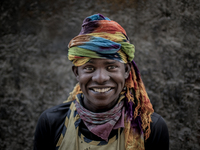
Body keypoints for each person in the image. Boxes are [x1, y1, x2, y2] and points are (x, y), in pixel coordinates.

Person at [34, 14, 169, 150]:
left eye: (111, 67)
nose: (100, 78)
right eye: (89, 68)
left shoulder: (149, 128)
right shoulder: (52, 122)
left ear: (126, 70)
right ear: (76, 72)